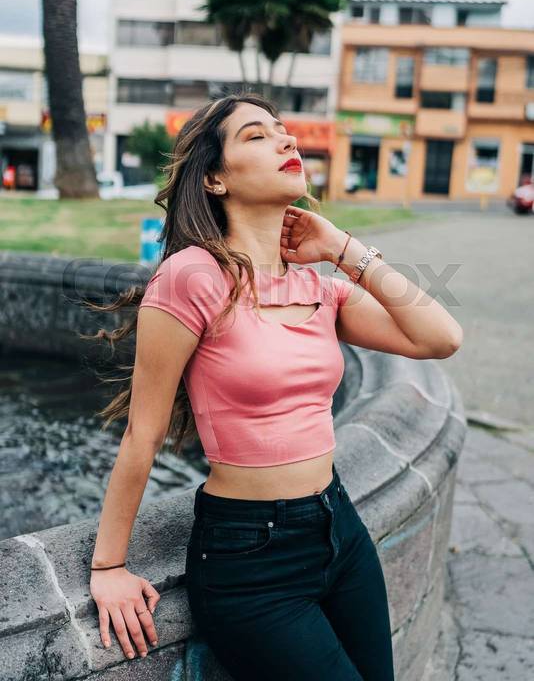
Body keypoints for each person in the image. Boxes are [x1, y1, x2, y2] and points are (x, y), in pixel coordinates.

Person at [88, 92, 463, 679]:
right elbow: (144, 430)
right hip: (250, 559)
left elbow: (440, 338)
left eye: (285, 131)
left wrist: (344, 249)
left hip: (339, 530)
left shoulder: (320, 286)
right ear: (214, 178)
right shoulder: (192, 276)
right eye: (257, 136)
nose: (287, 141)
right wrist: (108, 565)